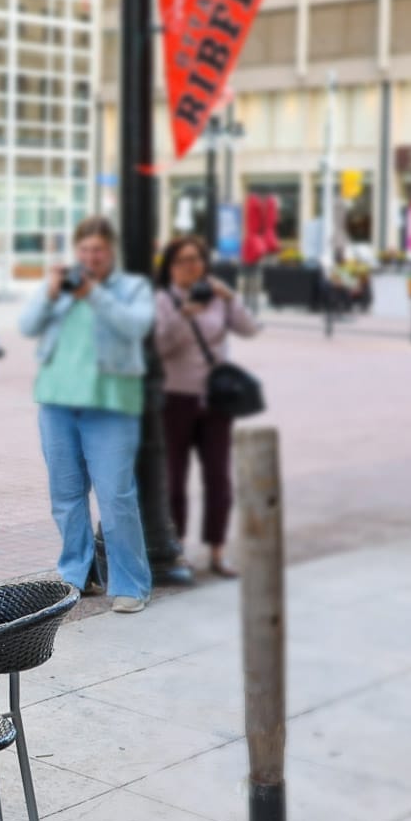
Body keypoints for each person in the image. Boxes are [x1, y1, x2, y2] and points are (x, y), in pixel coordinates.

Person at [19, 215, 154, 612]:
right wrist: (49, 292)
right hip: (57, 402)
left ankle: (131, 582)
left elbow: (136, 327)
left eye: (98, 251)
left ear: (111, 253)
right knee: (65, 495)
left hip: (110, 405)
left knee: (116, 497)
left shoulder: (131, 288)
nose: (90, 258)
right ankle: (77, 574)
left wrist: (94, 293)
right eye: (84, 251)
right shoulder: (60, 289)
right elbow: (28, 325)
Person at [152, 237, 258, 578]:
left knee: (218, 477)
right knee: (175, 478)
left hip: (216, 399)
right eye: (182, 261)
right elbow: (159, 347)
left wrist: (231, 299)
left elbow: (249, 328)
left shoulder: (216, 298)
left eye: (196, 260)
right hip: (176, 398)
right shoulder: (163, 300)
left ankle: (217, 551)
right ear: (170, 266)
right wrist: (185, 316)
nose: (190, 267)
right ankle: (177, 551)